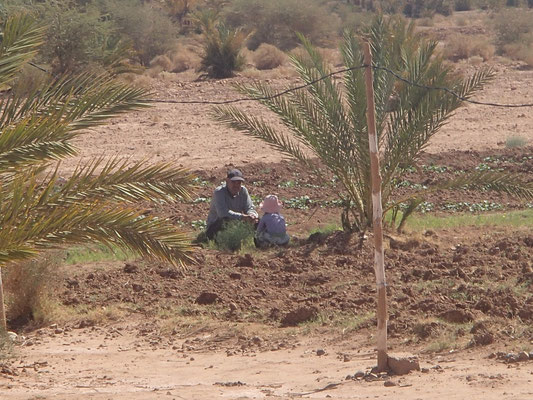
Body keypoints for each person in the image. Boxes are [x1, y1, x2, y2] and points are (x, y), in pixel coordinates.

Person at [205, 168, 258, 240]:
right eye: (233, 182)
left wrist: (252, 215)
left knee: (259, 221)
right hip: (216, 226)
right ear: (227, 181)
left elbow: (249, 207)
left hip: (236, 223)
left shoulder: (243, 191)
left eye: (238, 182)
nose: (236, 185)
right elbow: (223, 213)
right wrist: (242, 217)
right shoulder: (219, 192)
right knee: (225, 220)